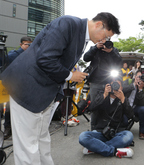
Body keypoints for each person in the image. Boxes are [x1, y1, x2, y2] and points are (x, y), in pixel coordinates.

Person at [0, 12, 120, 165]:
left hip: (44, 92)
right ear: (98, 25)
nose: (104, 40)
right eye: (105, 36)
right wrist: (70, 75)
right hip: (26, 87)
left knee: (42, 138)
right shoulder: (67, 23)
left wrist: (57, 95)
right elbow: (45, 58)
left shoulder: (80, 35)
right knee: (28, 146)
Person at [79, 79, 134, 158]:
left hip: (115, 133)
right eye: (113, 85)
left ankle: (95, 148)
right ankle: (114, 151)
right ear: (108, 86)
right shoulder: (102, 95)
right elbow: (91, 108)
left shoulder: (123, 99)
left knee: (129, 135)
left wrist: (123, 99)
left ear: (122, 88)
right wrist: (104, 95)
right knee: (83, 136)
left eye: (118, 85)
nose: (115, 87)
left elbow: (131, 115)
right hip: (100, 132)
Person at [0, 36, 33, 140]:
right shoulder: (13, 55)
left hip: (24, 84)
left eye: (30, 44)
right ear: (21, 44)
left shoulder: (32, 56)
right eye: (27, 44)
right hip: (12, 84)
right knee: (8, 107)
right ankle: (7, 128)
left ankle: (18, 129)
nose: (29, 46)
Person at [83, 40, 122, 106]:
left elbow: (120, 63)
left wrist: (111, 52)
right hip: (95, 81)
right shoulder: (95, 49)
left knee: (107, 105)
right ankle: (94, 116)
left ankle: (105, 116)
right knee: (94, 104)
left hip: (109, 81)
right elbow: (85, 58)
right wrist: (96, 47)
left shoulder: (113, 50)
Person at [123, 70, 144, 140]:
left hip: (134, 108)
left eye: (141, 77)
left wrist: (140, 90)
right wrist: (133, 85)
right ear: (134, 77)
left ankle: (142, 132)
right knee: (124, 122)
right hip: (124, 107)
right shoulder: (128, 81)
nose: (139, 79)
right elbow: (122, 90)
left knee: (143, 109)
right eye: (138, 77)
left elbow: (143, 103)